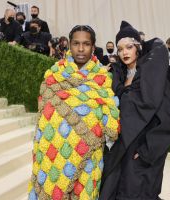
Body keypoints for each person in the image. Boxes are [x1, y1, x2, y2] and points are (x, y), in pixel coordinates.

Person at [28, 25, 120, 200]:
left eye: (86, 44)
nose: (80, 48)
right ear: (69, 45)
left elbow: (109, 123)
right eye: (76, 43)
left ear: (93, 46)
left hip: (88, 159)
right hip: (54, 157)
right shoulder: (54, 76)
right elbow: (44, 121)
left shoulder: (102, 79)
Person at [99, 21, 170, 200]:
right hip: (119, 149)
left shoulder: (152, 76)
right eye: (120, 49)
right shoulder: (117, 76)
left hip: (141, 153)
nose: (124, 52)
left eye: (129, 47)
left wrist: (148, 151)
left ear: (138, 47)